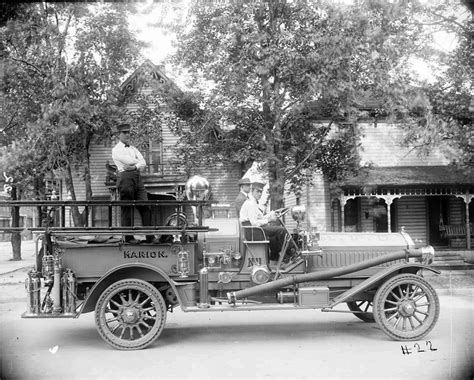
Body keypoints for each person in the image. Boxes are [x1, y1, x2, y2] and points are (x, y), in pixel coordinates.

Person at [112, 123, 158, 244]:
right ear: (119, 135)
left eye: (128, 133)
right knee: (127, 208)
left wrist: (134, 166)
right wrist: (137, 163)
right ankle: (128, 238)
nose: (127, 135)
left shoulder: (133, 148)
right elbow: (128, 161)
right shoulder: (116, 150)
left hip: (137, 178)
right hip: (125, 179)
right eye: (124, 133)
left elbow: (143, 163)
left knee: (145, 206)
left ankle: (150, 237)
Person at [239, 181, 287, 266]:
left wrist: (272, 214)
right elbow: (254, 223)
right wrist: (269, 220)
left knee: (274, 238)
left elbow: (260, 217)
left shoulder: (253, 203)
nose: (260, 194)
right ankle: (290, 254)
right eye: (257, 191)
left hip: (255, 231)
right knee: (281, 230)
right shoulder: (250, 204)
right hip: (253, 232)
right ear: (252, 191)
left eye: (261, 192)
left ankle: (273, 262)